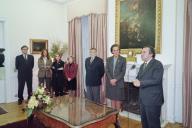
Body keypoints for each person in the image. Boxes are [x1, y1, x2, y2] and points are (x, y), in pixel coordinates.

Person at [133, 46, 164, 128]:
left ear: (151, 54)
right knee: (144, 122)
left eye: (144, 52)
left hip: (153, 100)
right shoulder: (143, 65)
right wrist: (136, 80)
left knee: (153, 124)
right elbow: (139, 77)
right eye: (141, 52)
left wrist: (141, 83)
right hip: (143, 99)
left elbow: (156, 80)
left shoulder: (157, 64)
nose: (141, 54)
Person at [106, 44, 126, 110]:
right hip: (110, 83)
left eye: (117, 50)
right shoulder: (108, 59)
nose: (116, 52)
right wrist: (111, 79)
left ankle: (117, 118)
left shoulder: (123, 59)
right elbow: (107, 70)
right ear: (112, 51)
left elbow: (123, 72)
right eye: (114, 50)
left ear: (119, 51)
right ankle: (113, 117)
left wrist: (115, 80)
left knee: (118, 101)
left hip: (119, 83)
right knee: (112, 101)